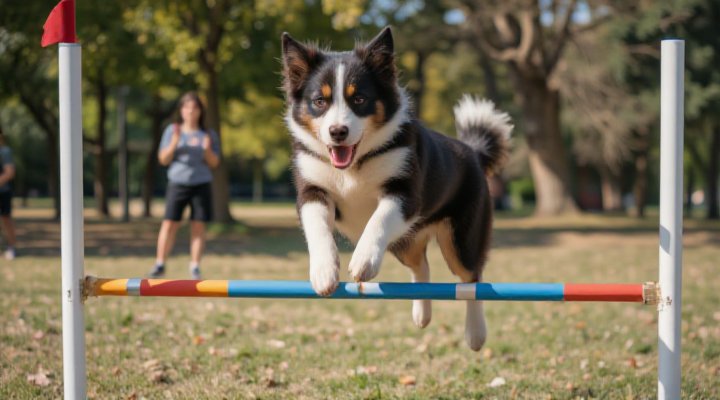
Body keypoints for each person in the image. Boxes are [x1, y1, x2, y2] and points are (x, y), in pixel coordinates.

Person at [148, 92, 220, 279]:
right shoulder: (172, 131)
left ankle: (195, 266)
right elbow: (163, 159)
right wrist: (173, 143)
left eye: (194, 108)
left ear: (200, 111)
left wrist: (206, 149)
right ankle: (160, 263)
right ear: (181, 110)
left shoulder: (208, 134)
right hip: (178, 183)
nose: (190, 111)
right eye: (187, 107)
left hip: (201, 184)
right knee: (169, 223)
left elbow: (214, 163)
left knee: (198, 225)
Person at [0, 128, 17, 260]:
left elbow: (9, 172)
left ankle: (11, 248)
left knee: (6, 219)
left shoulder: (4, 151)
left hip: (3, 192)